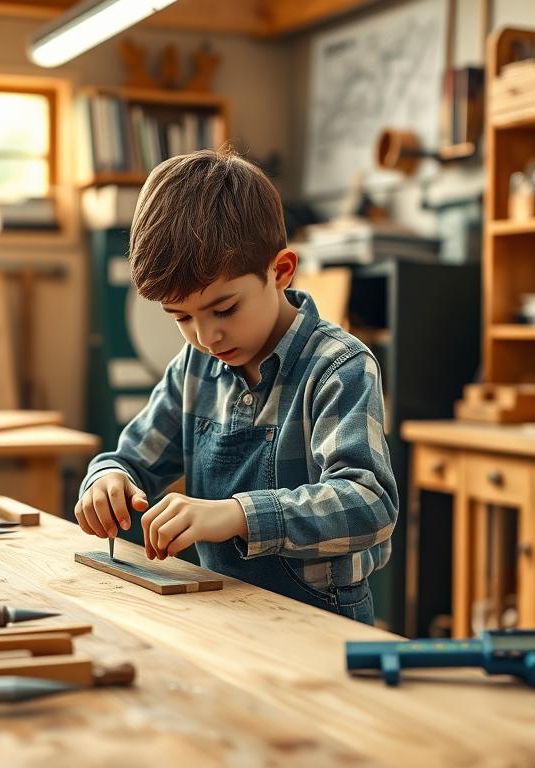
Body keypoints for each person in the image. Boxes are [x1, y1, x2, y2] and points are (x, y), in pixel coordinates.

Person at [74, 148, 398, 623]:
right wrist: (106, 481)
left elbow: (369, 503)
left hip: (320, 619)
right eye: (181, 317)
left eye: (224, 309)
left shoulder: (338, 367)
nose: (206, 337)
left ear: (281, 271)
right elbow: (129, 460)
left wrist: (238, 514)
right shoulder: (195, 367)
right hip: (223, 608)